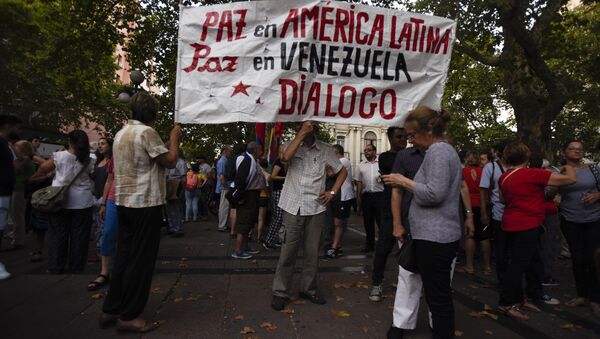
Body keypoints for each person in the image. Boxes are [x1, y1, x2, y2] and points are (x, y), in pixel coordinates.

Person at [99, 91, 182, 333]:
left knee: (123, 257)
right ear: (152, 113)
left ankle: (111, 308)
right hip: (145, 204)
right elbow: (170, 160)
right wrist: (174, 137)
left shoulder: (121, 133)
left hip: (124, 202)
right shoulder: (146, 133)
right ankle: (130, 315)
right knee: (141, 261)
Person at [382, 106, 467, 339]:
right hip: (430, 235)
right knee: (435, 293)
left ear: (429, 129)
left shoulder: (439, 151)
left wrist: (404, 181)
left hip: (435, 238)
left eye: (412, 134)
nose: (410, 140)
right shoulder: (441, 151)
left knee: (438, 299)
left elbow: (434, 194)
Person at [271, 121, 347, 311]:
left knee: (312, 253)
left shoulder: (326, 149)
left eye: (309, 124)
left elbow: (342, 171)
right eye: (302, 125)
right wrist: (301, 134)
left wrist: (332, 192)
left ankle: (308, 288)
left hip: (316, 208)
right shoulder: (289, 144)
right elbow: (286, 157)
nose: (306, 126)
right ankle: (280, 292)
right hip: (292, 206)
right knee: (288, 252)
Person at [497, 142, 575, 320]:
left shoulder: (505, 176)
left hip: (510, 223)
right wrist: (568, 166)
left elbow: (502, 199)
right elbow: (571, 179)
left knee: (531, 262)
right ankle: (506, 303)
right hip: (527, 226)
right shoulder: (533, 173)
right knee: (517, 266)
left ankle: (522, 297)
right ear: (527, 157)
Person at [30, 130, 96, 274]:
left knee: (57, 234)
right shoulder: (90, 159)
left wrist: (48, 176)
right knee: (80, 236)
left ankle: (56, 266)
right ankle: (76, 267)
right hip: (83, 202)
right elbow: (94, 177)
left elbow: (41, 169)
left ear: (70, 142)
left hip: (59, 201)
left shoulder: (59, 156)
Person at [557, 141, 600, 318]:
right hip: (570, 219)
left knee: (593, 258)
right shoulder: (559, 171)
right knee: (578, 257)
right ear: (564, 152)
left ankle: (596, 299)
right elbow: (549, 193)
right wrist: (556, 191)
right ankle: (582, 295)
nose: (576, 151)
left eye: (579, 149)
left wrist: (598, 195)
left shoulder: (594, 169)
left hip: (594, 218)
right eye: (572, 149)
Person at [369, 126, 406, 302]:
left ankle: (407, 284)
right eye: (399, 137)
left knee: (409, 250)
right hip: (389, 210)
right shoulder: (385, 158)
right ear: (390, 138)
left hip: (409, 208)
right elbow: (395, 178)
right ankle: (377, 283)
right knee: (383, 248)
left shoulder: (412, 155)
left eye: (405, 137)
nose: (402, 140)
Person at [89, 152, 118, 291]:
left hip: (133, 200)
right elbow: (109, 180)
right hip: (113, 199)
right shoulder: (115, 158)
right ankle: (104, 272)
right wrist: (104, 203)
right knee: (108, 233)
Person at [231, 142, 263, 259]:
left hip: (251, 195)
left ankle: (245, 246)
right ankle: (238, 250)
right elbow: (240, 180)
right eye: (260, 150)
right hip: (246, 196)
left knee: (248, 222)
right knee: (243, 223)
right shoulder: (247, 161)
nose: (261, 152)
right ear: (255, 150)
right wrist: (240, 197)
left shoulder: (252, 161)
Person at [462, 151, 492, 275]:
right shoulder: (483, 171)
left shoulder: (463, 172)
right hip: (482, 206)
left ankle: (469, 266)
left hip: (468, 205)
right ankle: (487, 267)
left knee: (470, 235)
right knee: (484, 236)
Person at [0, 115, 22, 280]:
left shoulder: (5, 145)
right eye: (16, 127)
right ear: (7, 126)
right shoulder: (1, 145)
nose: (18, 131)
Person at [327, 144, 354, 258]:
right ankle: (336, 245)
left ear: (337, 153)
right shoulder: (339, 161)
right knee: (336, 223)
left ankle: (334, 248)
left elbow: (331, 173)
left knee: (338, 223)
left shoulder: (344, 161)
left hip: (343, 196)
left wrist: (326, 164)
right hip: (338, 196)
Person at [355, 143, 384, 252]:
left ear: (374, 151)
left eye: (369, 150)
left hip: (379, 196)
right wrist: (358, 197)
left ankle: (383, 245)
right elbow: (358, 181)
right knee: (368, 222)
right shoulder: (361, 165)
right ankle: (369, 245)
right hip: (366, 196)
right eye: (365, 150)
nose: (366, 152)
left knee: (381, 221)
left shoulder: (381, 164)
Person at [9, 140, 35, 251]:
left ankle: (18, 240)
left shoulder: (25, 159)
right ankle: (17, 238)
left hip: (19, 189)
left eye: (17, 147)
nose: (15, 149)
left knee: (17, 215)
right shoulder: (27, 158)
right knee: (17, 215)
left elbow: (16, 167)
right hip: (18, 189)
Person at [91, 138, 112, 261]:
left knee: (104, 226)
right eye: (99, 144)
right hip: (96, 196)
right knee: (97, 225)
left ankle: (103, 251)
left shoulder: (112, 162)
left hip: (106, 198)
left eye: (103, 143)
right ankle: (100, 250)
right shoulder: (98, 161)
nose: (100, 146)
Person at [262, 151, 287, 249]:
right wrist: (286, 177)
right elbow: (272, 176)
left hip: (282, 191)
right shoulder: (279, 162)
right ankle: (268, 241)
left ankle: (280, 240)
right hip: (278, 191)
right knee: (279, 216)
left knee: (283, 217)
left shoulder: (284, 163)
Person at [165, 149, 186, 237]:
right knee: (169, 208)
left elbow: (183, 177)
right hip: (169, 183)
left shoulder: (181, 162)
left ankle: (177, 229)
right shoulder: (169, 161)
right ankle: (172, 227)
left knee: (175, 208)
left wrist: (182, 189)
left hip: (176, 184)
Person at [216, 146, 232, 231]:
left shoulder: (224, 160)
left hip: (224, 186)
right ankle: (222, 226)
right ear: (225, 151)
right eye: (230, 151)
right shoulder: (222, 161)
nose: (231, 153)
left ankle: (223, 225)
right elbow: (221, 176)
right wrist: (226, 187)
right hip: (224, 187)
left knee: (225, 206)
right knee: (224, 207)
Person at [257, 158, 270, 243]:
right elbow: (266, 187)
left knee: (253, 217)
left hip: (255, 196)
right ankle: (259, 237)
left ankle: (249, 234)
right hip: (264, 196)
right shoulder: (266, 175)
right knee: (261, 218)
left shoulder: (256, 173)